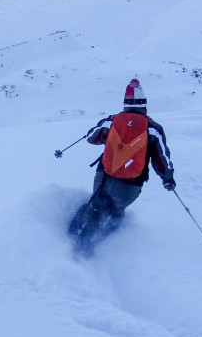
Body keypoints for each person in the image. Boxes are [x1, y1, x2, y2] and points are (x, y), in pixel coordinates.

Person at [68, 78, 176, 256]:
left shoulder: (112, 121)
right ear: (144, 104)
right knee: (114, 212)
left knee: (95, 206)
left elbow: (91, 137)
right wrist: (168, 179)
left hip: (104, 175)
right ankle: (94, 248)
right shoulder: (153, 128)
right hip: (130, 184)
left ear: (125, 103)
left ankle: (70, 238)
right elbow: (162, 157)